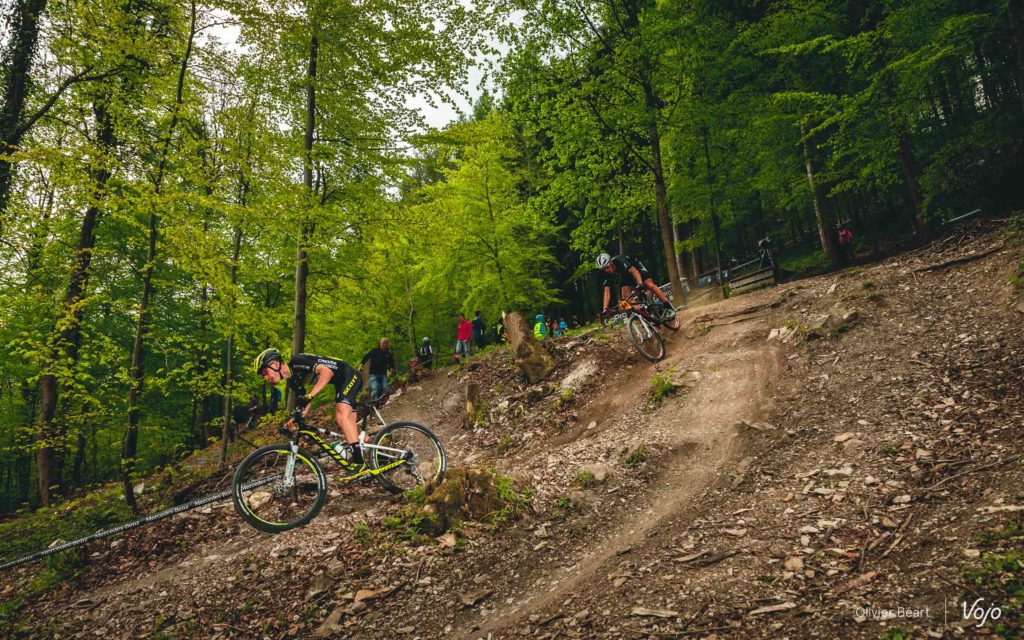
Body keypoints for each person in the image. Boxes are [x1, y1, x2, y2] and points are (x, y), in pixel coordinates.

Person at [254, 348, 365, 467]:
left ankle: (359, 463)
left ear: (275, 365)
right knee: (346, 422)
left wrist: (310, 395)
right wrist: (293, 421)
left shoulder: (298, 361)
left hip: (349, 374)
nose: (265, 377)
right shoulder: (293, 381)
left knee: (341, 415)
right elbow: (305, 404)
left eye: (265, 372)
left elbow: (327, 372)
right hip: (340, 382)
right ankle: (371, 446)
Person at [595, 253, 672, 318]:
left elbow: (634, 271)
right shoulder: (606, 274)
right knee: (625, 298)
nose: (606, 270)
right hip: (625, 274)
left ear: (611, 262)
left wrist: (640, 283)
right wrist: (605, 309)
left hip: (636, 267)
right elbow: (606, 293)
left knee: (650, 285)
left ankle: (669, 307)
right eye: (604, 269)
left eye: (607, 267)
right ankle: (642, 315)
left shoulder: (619, 261)